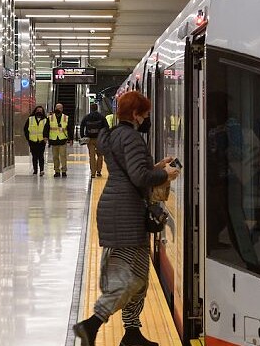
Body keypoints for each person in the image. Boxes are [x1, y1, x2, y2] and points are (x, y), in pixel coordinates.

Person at [73, 91, 180, 346]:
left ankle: (132, 333)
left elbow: (133, 171)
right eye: (145, 114)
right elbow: (139, 178)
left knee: (140, 279)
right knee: (130, 278)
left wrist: (156, 166)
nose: (146, 118)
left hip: (121, 207)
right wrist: (165, 174)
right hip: (124, 211)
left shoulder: (114, 135)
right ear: (135, 114)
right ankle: (92, 324)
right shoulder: (131, 137)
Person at [80, 103, 107, 178]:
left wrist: (83, 136)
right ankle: (99, 171)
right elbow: (106, 127)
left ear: (91, 109)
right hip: (99, 139)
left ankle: (92, 173)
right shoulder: (101, 117)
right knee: (100, 155)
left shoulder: (87, 117)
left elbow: (82, 126)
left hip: (90, 139)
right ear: (97, 108)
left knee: (92, 156)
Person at [44, 103, 71, 178]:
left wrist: (71, 139)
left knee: (63, 156)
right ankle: (57, 171)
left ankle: (64, 170)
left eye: (60, 108)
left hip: (63, 139)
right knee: (55, 156)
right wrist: (45, 137)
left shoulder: (66, 117)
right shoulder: (50, 118)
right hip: (54, 140)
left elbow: (69, 129)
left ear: (62, 109)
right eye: (57, 108)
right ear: (55, 108)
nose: (58, 109)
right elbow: (46, 128)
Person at [23, 105, 47, 176]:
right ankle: (35, 170)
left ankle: (42, 170)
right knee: (34, 156)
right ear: (35, 111)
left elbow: (47, 130)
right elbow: (25, 129)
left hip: (41, 141)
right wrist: (28, 138)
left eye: (40, 110)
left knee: (41, 156)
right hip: (32, 141)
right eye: (38, 110)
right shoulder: (30, 119)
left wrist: (46, 138)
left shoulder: (45, 120)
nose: (39, 112)